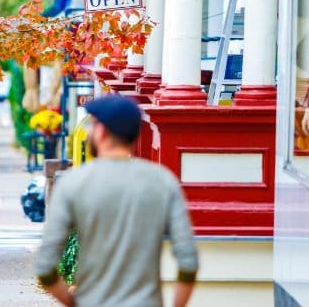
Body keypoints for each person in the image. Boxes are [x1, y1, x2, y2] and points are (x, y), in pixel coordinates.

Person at [35, 95, 199, 307]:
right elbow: (188, 261)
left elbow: (45, 267)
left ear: (102, 131)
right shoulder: (162, 181)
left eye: (92, 126)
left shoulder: (74, 183)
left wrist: (74, 303)